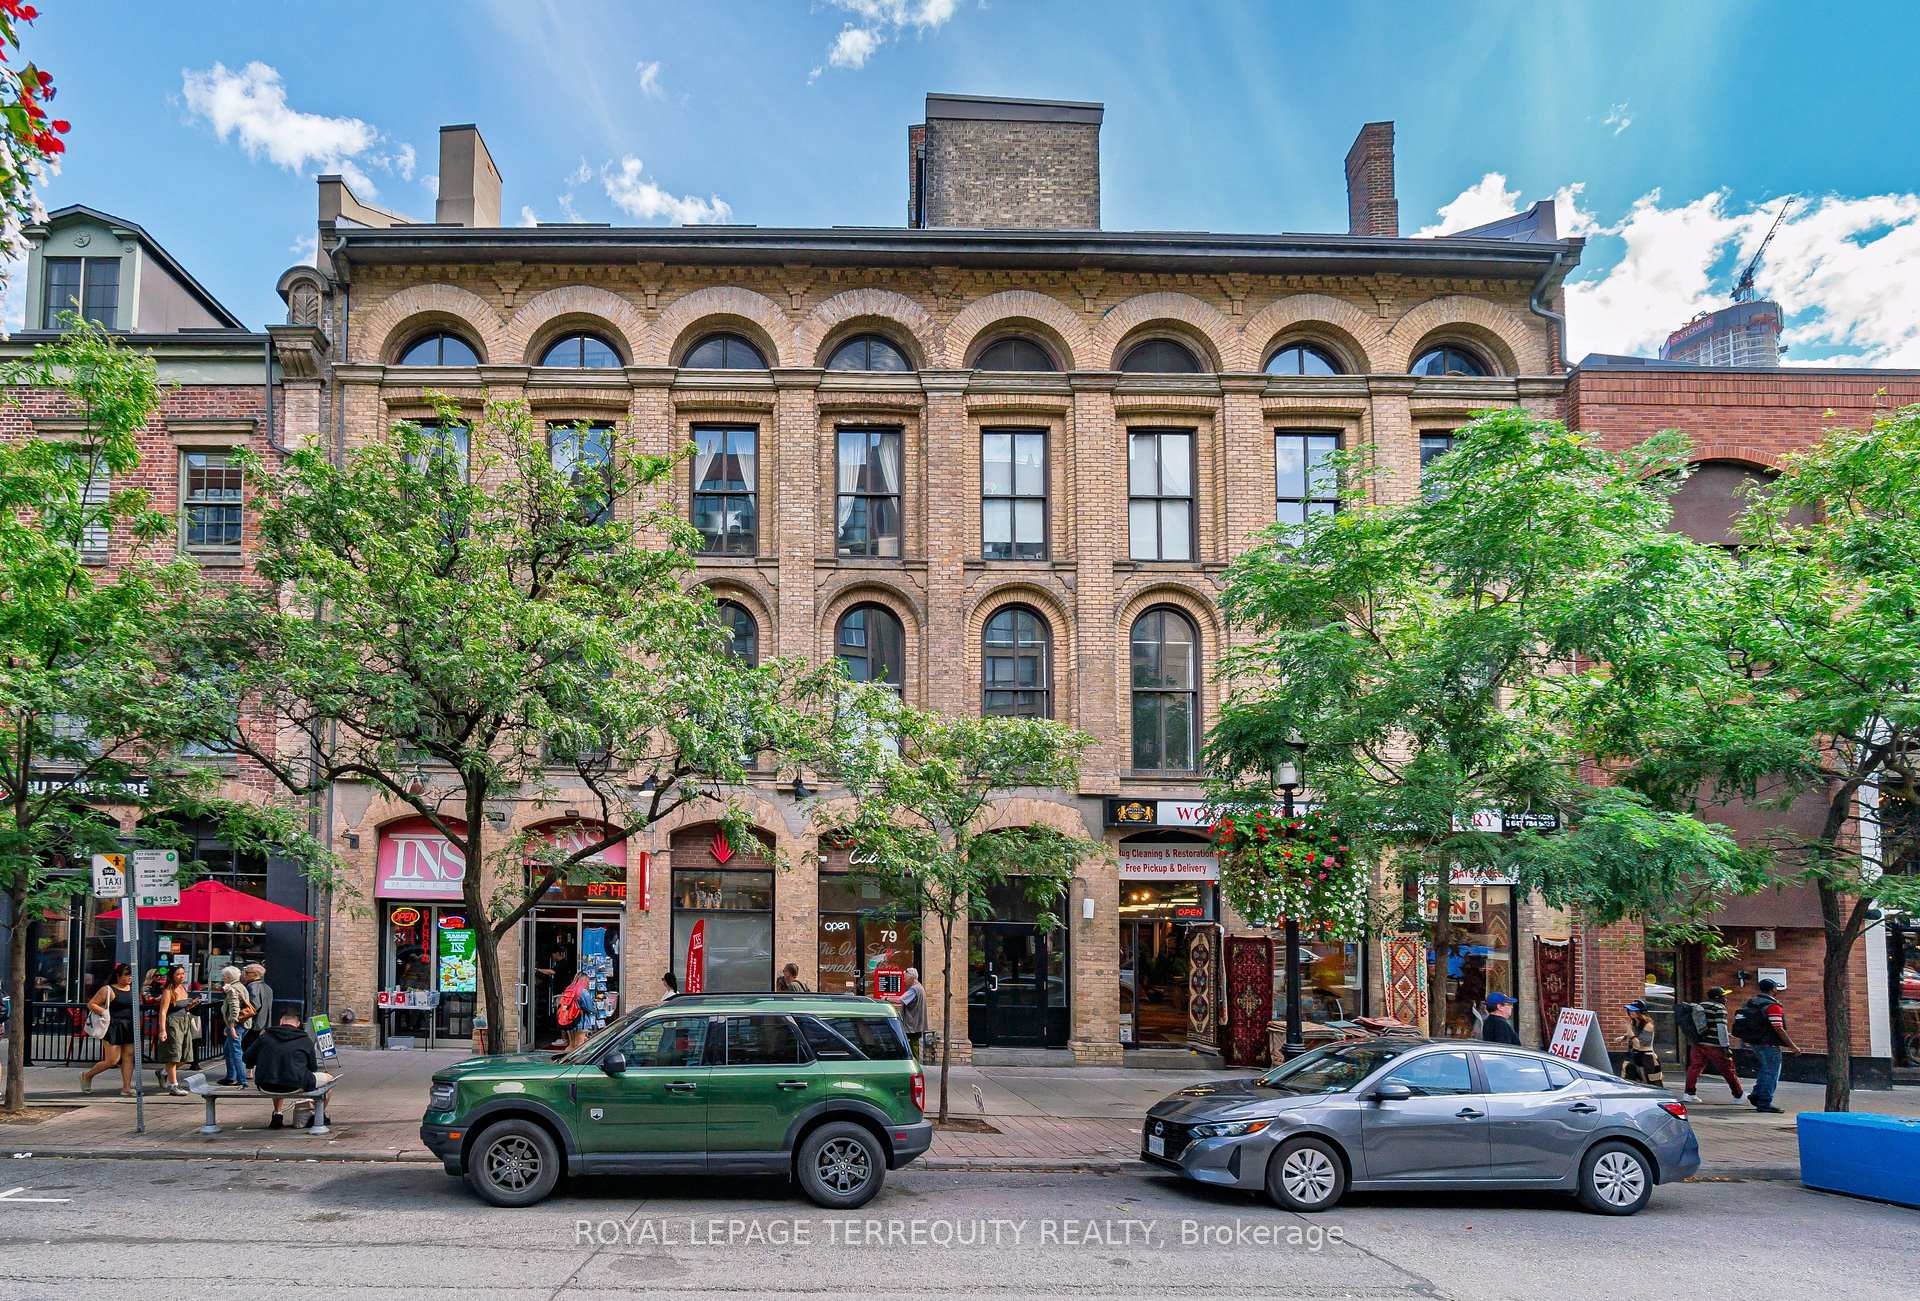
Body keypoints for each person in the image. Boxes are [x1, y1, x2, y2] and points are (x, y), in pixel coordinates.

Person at [243, 1006, 334, 1129]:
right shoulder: (305, 1039)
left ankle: (277, 1115)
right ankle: (317, 1114)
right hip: (295, 1084)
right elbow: (313, 1068)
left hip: (266, 1085)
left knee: (277, 1072)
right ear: (297, 1023)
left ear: (281, 1021)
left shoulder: (265, 1037)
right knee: (330, 1079)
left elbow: (246, 1058)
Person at [1734, 978, 1801, 1114]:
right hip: (1769, 1044)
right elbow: (1778, 1028)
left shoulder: (1752, 1002)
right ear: (1774, 989)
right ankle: (1764, 1102)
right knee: (1771, 1073)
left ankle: (1757, 1094)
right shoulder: (1772, 1006)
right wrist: (1793, 1046)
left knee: (1766, 1070)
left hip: (1755, 1042)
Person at [79, 963, 137, 1096]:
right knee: (112, 1060)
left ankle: (126, 1087)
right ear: (118, 976)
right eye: (126, 975)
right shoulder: (108, 989)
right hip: (113, 1026)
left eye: (131, 975)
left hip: (128, 1026)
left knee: (128, 1056)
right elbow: (91, 1004)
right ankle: (87, 1075)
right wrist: (104, 1012)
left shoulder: (132, 989)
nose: (130, 978)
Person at [1680, 986, 1743, 1104]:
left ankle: (1689, 1093)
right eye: (1724, 996)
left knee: (1694, 1068)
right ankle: (1738, 1095)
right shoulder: (1719, 1008)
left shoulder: (1700, 1006)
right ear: (1718, 997)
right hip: (1714, 1045)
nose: (1726, 999)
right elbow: (1721, 1028)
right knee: (1728, 1069)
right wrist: (1726, 1046)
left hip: (1698, 1043)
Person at [153, 966, 200, 1095]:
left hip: (184, 1021)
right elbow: (163, 1011)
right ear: (172, 976)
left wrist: (191, 1005)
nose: (182, 976)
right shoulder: (168, 990)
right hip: (173, 1023)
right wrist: (162, 1030)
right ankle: (173, 1085)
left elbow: (184, 1007)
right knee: (173, 1055)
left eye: (183, 974)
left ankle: (163, 1072)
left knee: (185, 1055)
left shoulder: (183, 988)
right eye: (178, 974)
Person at [217, 965, 256, 1086]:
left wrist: (231, 1026)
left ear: (228, 977)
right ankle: (230, 1077)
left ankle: (241, 1080)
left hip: (237, 1025)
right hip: (243, 1024)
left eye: (224, 976)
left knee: (235, 1051)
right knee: (228, 1050)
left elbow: (234, 1008)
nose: (223, 978)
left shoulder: (232, 988)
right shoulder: (241, 986)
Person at [1618, 1000, 1665, 1087]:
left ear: (1640, 1012)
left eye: (1634, 1010)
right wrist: (1624, 1037)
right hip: (1635, 1055)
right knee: (1629, 1079)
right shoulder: (1634, 1022)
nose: (1631, 1012)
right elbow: (1634, 1034)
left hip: (1647, 1057)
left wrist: (1628, 1029)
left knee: (1653, 1082)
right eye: (1630, 1010)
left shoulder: (1648, 1025)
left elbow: (1639, 1044)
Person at [895, 967, 926, 1062]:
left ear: (911, 978)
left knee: (911, 1045)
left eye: (905, 978)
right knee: (914, 1044)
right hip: (917, 1024)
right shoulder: (920, 987)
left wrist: (886, 998)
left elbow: (900, 1000)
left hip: (912, 1024)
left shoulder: (914, 989)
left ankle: (914, 1065)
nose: (904, 980)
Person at [242, 963, 274, 1051]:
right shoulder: (267, 987)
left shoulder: (252, 986)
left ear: (255, 974)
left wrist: (240, 1016)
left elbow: (254, 1005)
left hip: (254, 1023)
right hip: (264, 1023)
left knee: (248, 1047)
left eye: (247, 972)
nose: (245, 974)